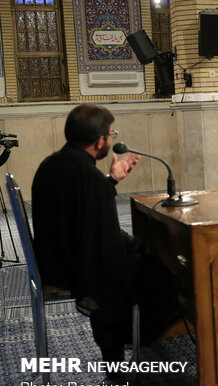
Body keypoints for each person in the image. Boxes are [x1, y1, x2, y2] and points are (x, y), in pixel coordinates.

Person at [32, 104, 181, 362]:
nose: (111, 140)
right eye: (111, 135)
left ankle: (123, 343)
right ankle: (132, 340)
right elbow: (104, 244)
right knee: (165, 275)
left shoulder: (52, 164)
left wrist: (110, 181)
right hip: (76, 266)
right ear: (100, 141)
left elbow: (80, 212)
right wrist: (138, 247)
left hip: (53, 259)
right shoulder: (88, 178)